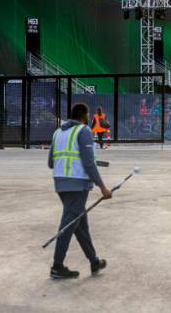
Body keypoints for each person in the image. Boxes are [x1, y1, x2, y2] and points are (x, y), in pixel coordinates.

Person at [48, 103, 112, 279]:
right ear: (84, 116)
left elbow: (51, 163)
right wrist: (103, 187)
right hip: (78, 185)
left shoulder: (57, 132)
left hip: (60, 183)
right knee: (68, 225)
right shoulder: (84, 131)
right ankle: (57, 265)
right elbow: (89, 163)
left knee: (80, 225)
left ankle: (94, 261)